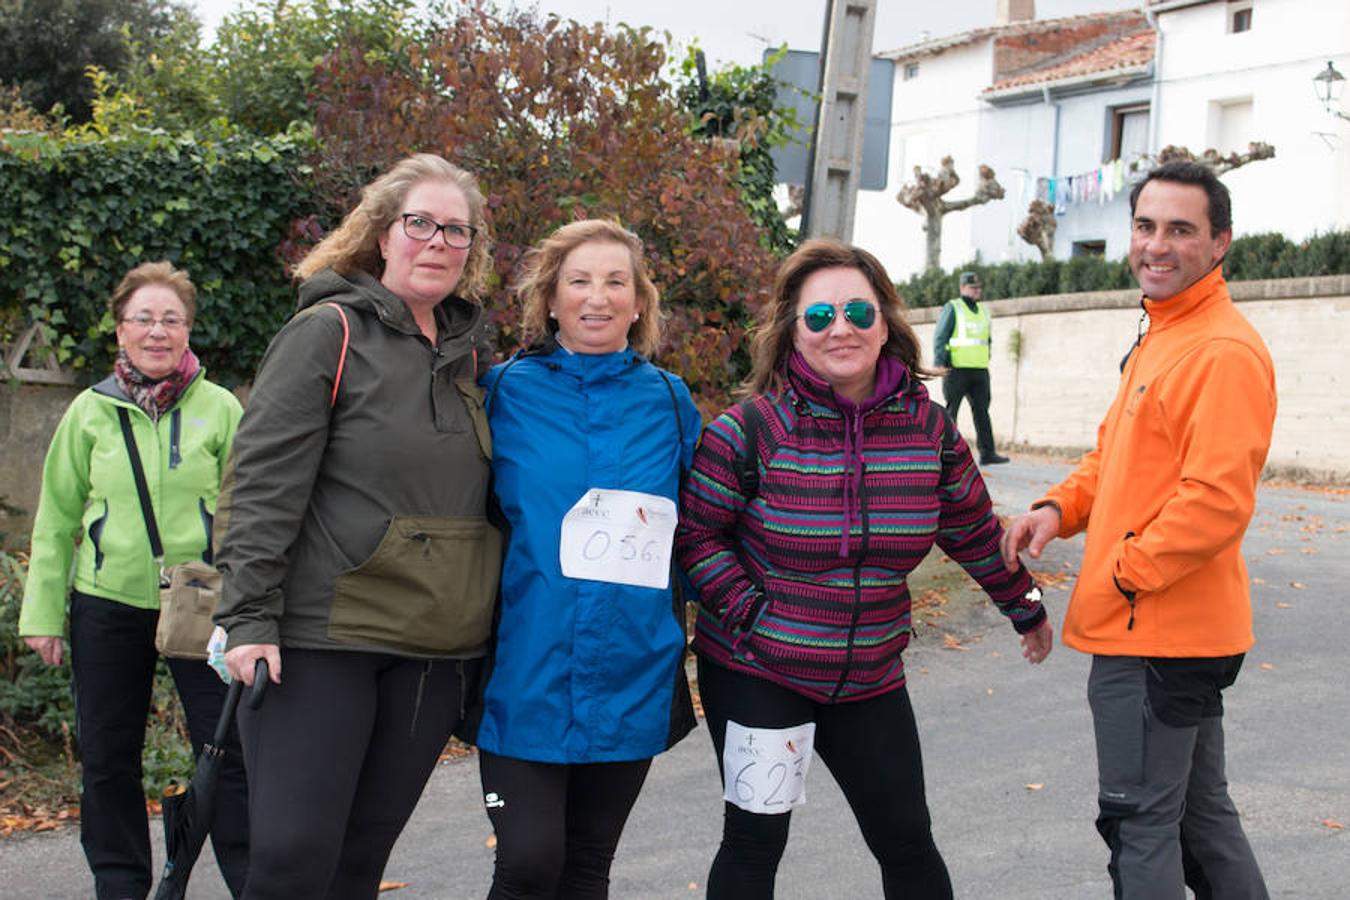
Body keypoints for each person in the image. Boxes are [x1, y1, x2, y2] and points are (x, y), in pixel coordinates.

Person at [674, 238, 1053, 899]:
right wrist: (756, 618)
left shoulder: (929, 431)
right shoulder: (747, 432)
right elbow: (697, 537)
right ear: (794, 331)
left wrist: (1024, 606)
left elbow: (967, 526)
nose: (840, 328)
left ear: (885, 322)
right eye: (819, 317)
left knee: (906, 839)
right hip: (761, 670)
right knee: (755, 843)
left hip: (870, 674)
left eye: (857, 311)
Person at [213, 153, 499, 899]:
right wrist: (247, 617)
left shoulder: (476, 359)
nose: (437, 242)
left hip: (433, 649)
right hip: (321, 638)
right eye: (420, 224)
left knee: (360, 861)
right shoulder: (328, 332)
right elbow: (261, 484)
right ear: (382, 234)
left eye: (456, 231)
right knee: (292, 857)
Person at [1001, 161, 1274, 900]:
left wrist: (1123, 572)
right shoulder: (1167, 331)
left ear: (1219, 244)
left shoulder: (1219, 349)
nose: (1157, 244)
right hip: (1168, 630)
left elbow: (1215, 501)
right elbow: (1116, 458)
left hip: (1156, 632)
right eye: (1146, 225)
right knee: (1196, 817)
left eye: (1181, 229)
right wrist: (1059, 509)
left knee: (1140, 824)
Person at [471, 219, 701, 899]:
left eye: (615, 282)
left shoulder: (669, 400)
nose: (596, 297)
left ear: (638, 303)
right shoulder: (502, 392)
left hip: (632, 669)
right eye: (579, 281)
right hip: (523, 672)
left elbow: (700, 527)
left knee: (588, 866)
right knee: (527, 864)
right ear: (550, 299)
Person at [19, 261, 248, 899]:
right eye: (143, 319)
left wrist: (252, 605)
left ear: (188, 330)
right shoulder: (88, 413)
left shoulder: (221, 408)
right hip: (107, 603)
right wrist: (41, 616)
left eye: (171, 319)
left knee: (228, 754)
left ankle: (251, 880)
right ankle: (120, 884)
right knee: (107, 758)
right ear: (120, 331)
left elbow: (248, 510)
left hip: (202, 605)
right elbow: (57, 517)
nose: (157, 331)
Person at [932, 270, 1008, 465]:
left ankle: (987, 453)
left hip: (979, 370)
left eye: (978, 287)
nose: (976, 290)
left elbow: (987, 339)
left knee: (982, 412)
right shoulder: (953, 307)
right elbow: (940, 336)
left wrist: (987, 357)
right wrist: (940, 362)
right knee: (951, 413)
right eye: (972, 287)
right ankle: (946, 453)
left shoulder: (983, 311)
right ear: (962, 288)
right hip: (956, 370)